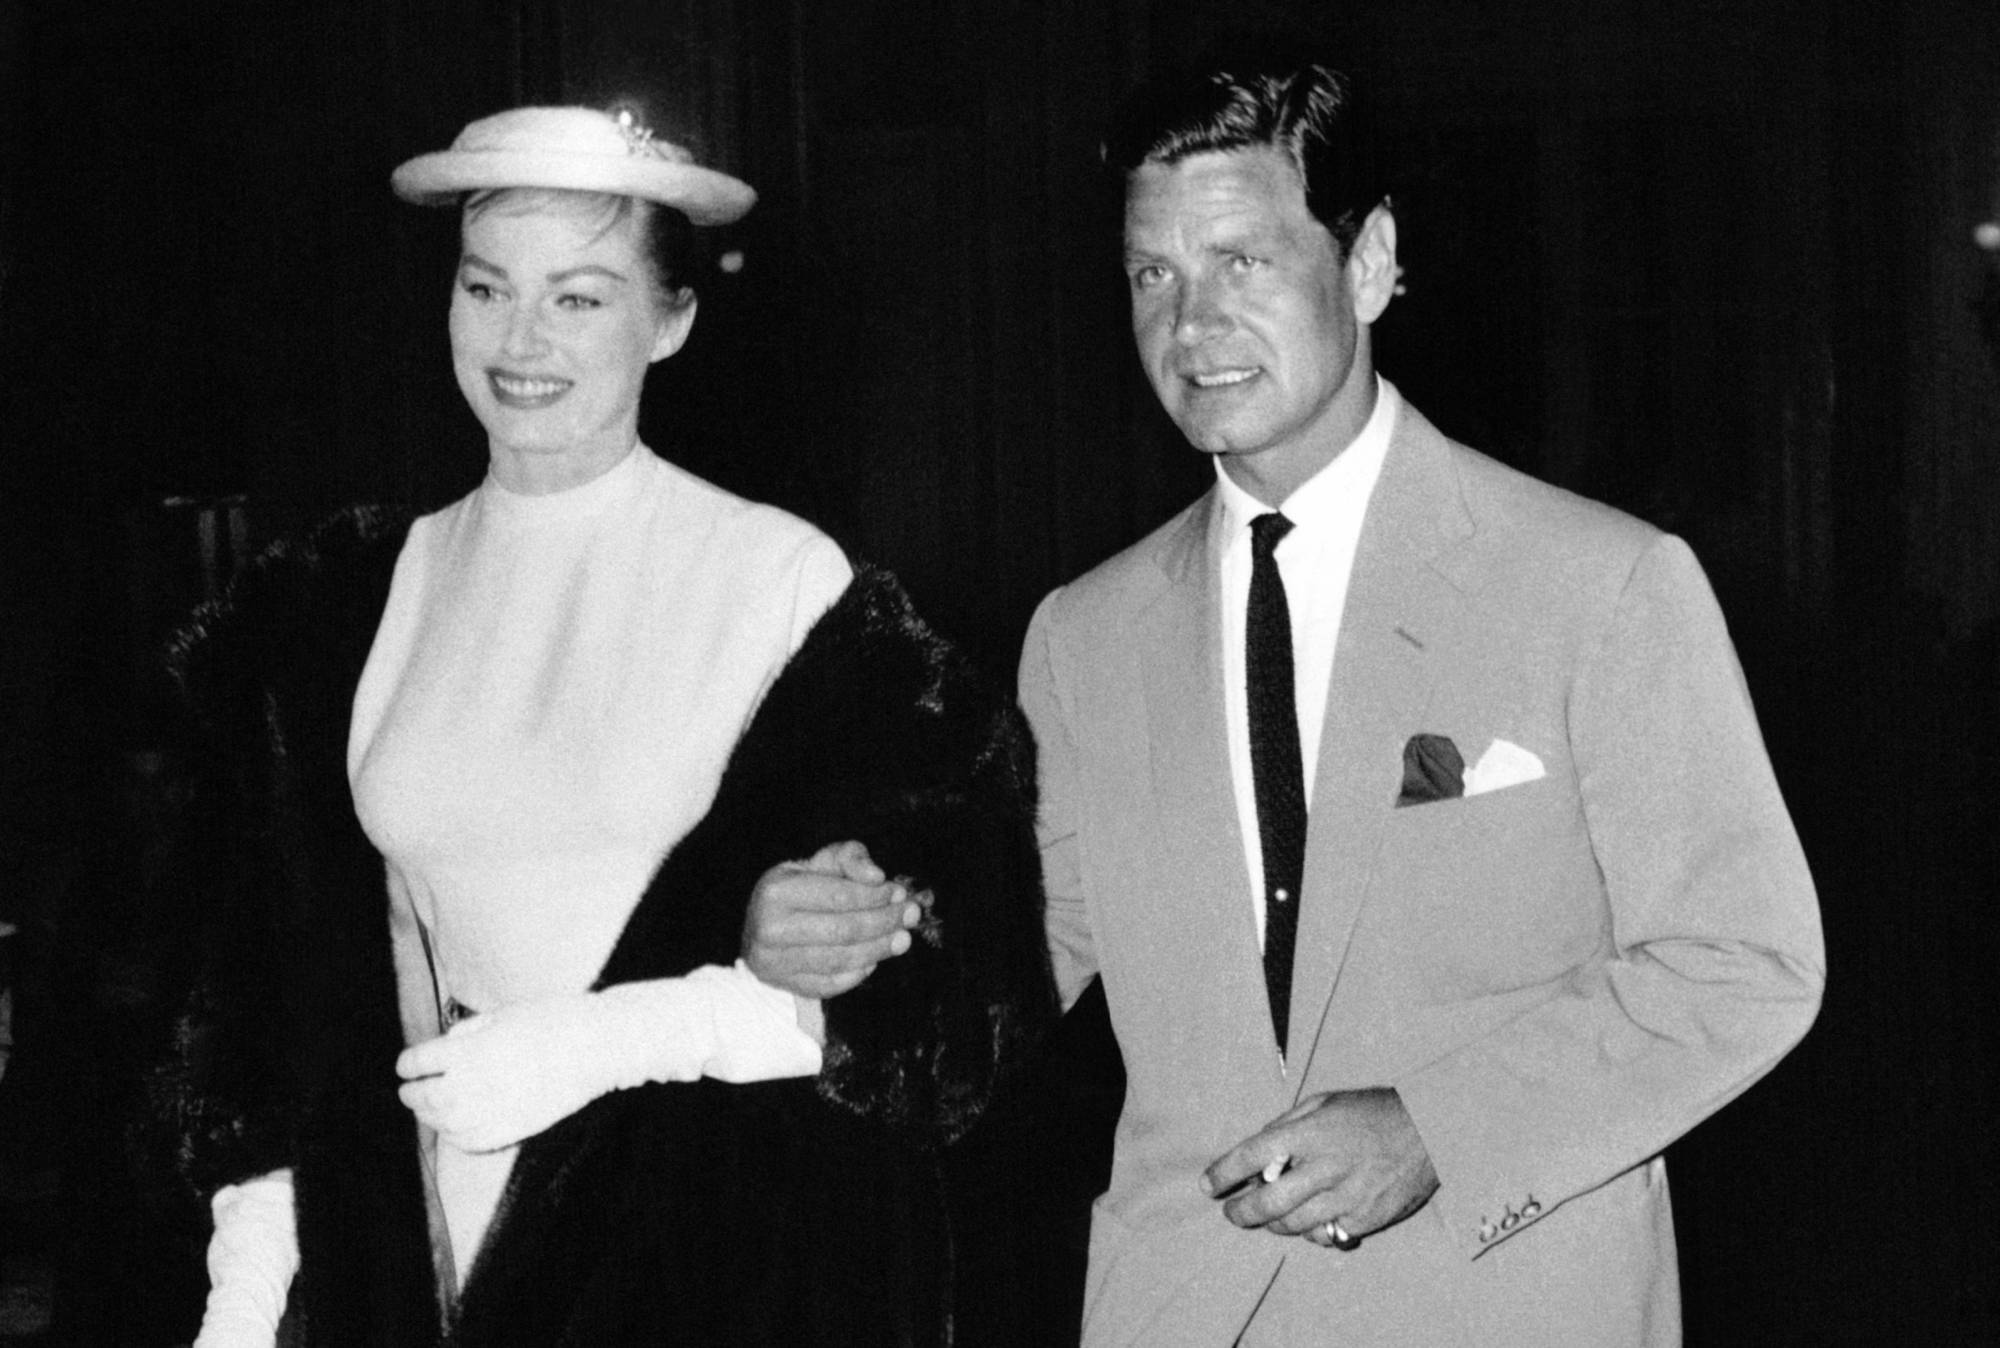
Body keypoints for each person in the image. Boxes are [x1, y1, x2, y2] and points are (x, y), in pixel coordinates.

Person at [748, 56, 1825, 1345]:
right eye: (1154, 274)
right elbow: (1012, 960)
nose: (1191, 325)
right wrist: (845, 941)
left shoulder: (1600, 586)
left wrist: (1440, 1130)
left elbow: (1742, 963)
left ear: (1366, 262)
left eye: (1243, 261)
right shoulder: (1082, 636)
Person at [143, 104, 1054, 1346]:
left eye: (577, 298)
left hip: (706, 1267)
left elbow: (946, 1011)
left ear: (669, 318)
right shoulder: (344, 600)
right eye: (485, 287)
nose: (520, 340)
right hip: (421, 1263)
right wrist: (245, 1295)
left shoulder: (781, 583)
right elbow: (275, 997)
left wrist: (618, 1036)